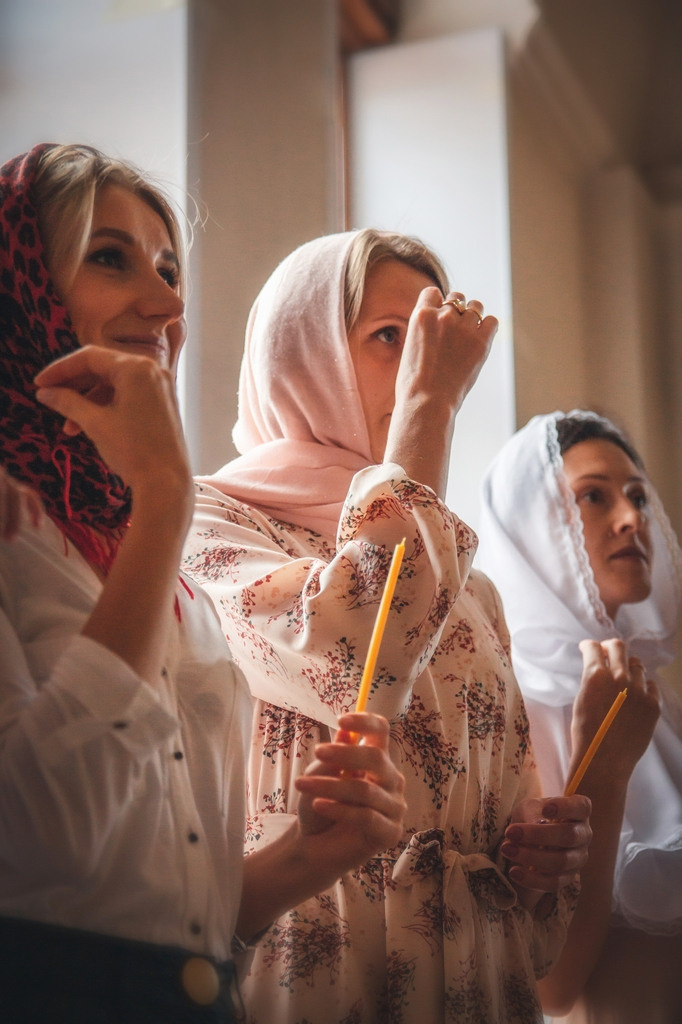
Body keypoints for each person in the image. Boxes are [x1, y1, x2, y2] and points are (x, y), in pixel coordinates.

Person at [0, 143, 408, 1024]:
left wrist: (305, 858)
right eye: (110, 258)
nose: (169, 305)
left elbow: (180, 912)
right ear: (20, 281)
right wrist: (165, 502)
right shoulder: (61, 526)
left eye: (169, 267)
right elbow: (36, 841)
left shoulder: (155, 561)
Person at [182, 229, 594, 1024]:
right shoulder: (211, 521)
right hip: (320, 968)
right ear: (301, 352)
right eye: (386, 338)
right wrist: (430, 405)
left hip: (478, 977)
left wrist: (539, 859)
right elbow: (358, 653)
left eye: (428, 343)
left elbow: (531, 905)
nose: (415, 369)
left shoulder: (471, 588)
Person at [477, 410, 682, 1023]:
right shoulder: (506, 704)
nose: (631, 519)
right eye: (592, 496)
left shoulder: (656, 700)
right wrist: (606, 770)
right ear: (527, 527)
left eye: (639, 496)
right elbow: (549, 988)